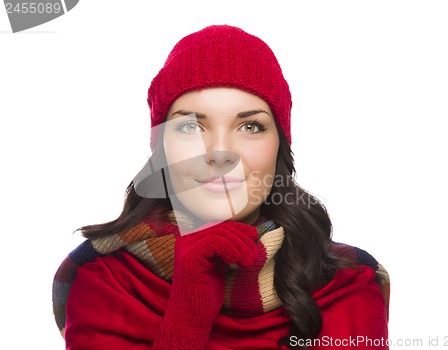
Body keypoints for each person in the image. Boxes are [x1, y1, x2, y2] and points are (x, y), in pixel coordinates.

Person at [52, 25, 390, 349]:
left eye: (251, 126)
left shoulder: (348, 281)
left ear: (279, 147)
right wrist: (190, 310)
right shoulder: (102, 276)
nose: (218, 152)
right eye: (189, 126)